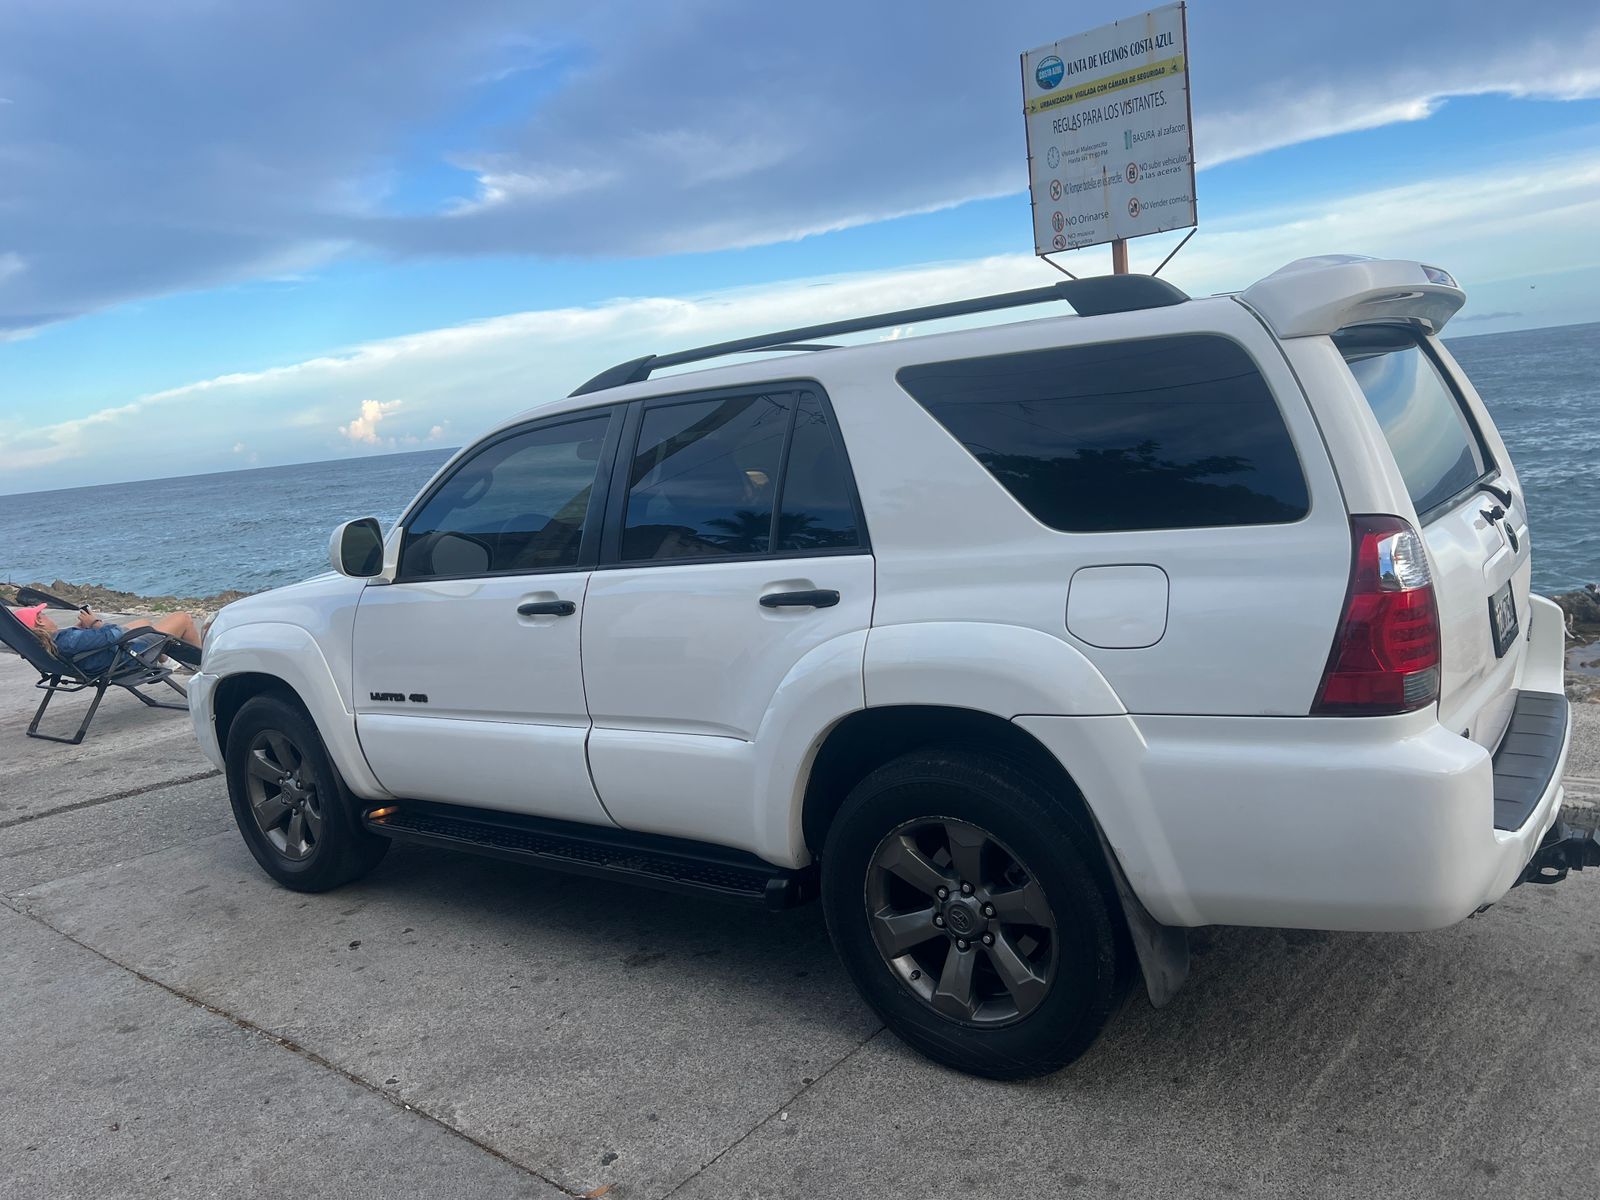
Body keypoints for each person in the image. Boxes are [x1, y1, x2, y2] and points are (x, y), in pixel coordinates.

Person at [16, 603, 202, 674]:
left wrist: (82, 630)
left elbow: (82, 642)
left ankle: (164, 662)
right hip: (126, 657)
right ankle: (203, 664)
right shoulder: (68, 639)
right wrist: (94, 622)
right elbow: (115, 635)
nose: (48, 616)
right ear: (39, 621)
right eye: (44, 614)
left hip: (100, 659)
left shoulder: (50, 642)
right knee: (182, 618)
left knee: (144, 621)